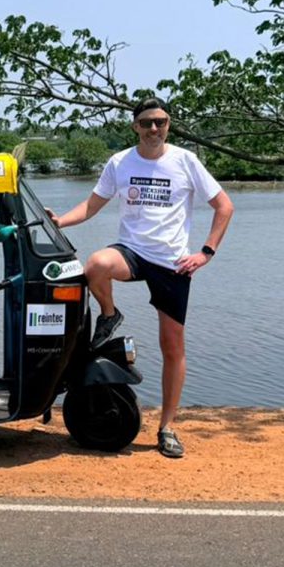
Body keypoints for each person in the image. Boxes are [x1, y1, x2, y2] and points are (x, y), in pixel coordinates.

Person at [47, 98, 234, 459]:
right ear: (135, 126)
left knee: (172, 346)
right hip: (131, 252)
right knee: (96, 265)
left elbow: (224, 206)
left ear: (168, 125)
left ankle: (167, 428)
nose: (154, 129)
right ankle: (109, 313)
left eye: (160, 122)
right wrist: (59, 222)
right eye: (147, 123)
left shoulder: (185, 161)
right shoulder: (120, 162)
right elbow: (91, 205)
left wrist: (205, 253)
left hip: (172, 263)